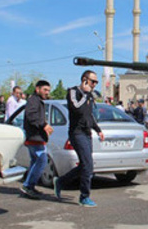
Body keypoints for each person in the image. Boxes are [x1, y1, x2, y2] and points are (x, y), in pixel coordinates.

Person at [54, 70, 104, 207]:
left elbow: (88, 116)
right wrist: (86, 93)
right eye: (93, 81)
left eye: (96, 82)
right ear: (84, 80)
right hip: (77, 133)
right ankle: (84, 197)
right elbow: (77, 109)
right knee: (88, 166)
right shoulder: (73, 92)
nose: (94, 85)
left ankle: (60, 181)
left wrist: (98, 130)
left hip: (87, 133)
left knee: (85, 165)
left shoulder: (90, 96)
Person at [20, 80, 53, 199]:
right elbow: (31, 116)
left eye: (48, 90)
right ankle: (28, 186)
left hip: (37, 137)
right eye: (45, 90)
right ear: (37, 89)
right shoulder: (33, 100)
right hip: (34, 137)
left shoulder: (37, 101)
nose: (47, 93)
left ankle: (29, 186)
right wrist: (44, 125)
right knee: (41, 160)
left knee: (36, 161)